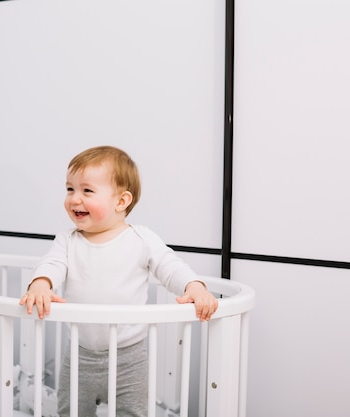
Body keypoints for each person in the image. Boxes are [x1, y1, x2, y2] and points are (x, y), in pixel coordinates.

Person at [19, 145, 218, 417]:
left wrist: (193, 286)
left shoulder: (141, 239)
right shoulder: (68, 240)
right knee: (71, 412)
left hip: (130, 358)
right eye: (69, 189)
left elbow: (170, 265)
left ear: (121, 201)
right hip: (79, 356)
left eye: (87, 191)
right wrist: (41, 283)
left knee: (133, 412)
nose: (75, 199)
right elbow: (51, 264)